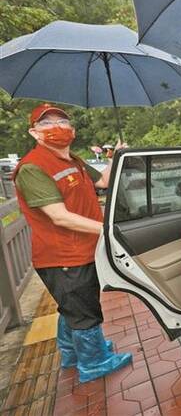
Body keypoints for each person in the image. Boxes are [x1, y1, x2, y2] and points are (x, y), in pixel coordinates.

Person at [12, 103, 132, 383]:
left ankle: (72, 353)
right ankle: (93, 363)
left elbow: (103, 181)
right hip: (63, 257)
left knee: (73, 307)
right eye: (47, 123)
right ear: (34, 132)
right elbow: (59, 217)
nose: (57, 127)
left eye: (62, 122)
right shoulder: (32, 168)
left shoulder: (74, 161)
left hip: (82, 251)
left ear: (72, 130)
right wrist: (108, 230)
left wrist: (117, 155)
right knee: (84, 310)